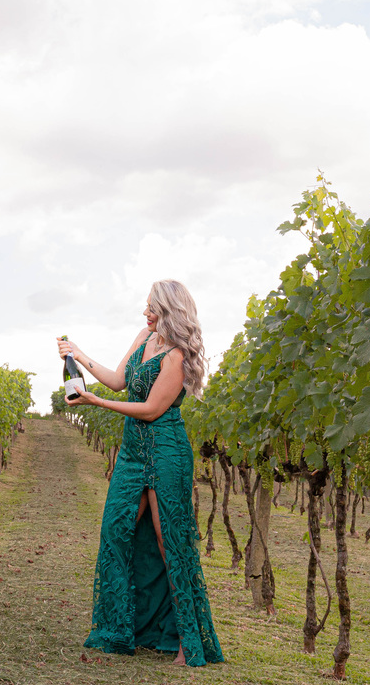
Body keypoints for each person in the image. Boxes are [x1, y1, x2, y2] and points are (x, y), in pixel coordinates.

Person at [57, 279, 224, 667]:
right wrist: (79, 355)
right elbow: (119, 381)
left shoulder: (178, 355)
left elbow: (151, 410)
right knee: (117, 529)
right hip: (134, 451)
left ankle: (186, 641)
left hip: (166, 450)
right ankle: (120, 629)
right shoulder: (143, 337)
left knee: (170, 542)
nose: (144, 312)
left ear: (169, 310)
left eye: (150, 307)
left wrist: (96, 402)